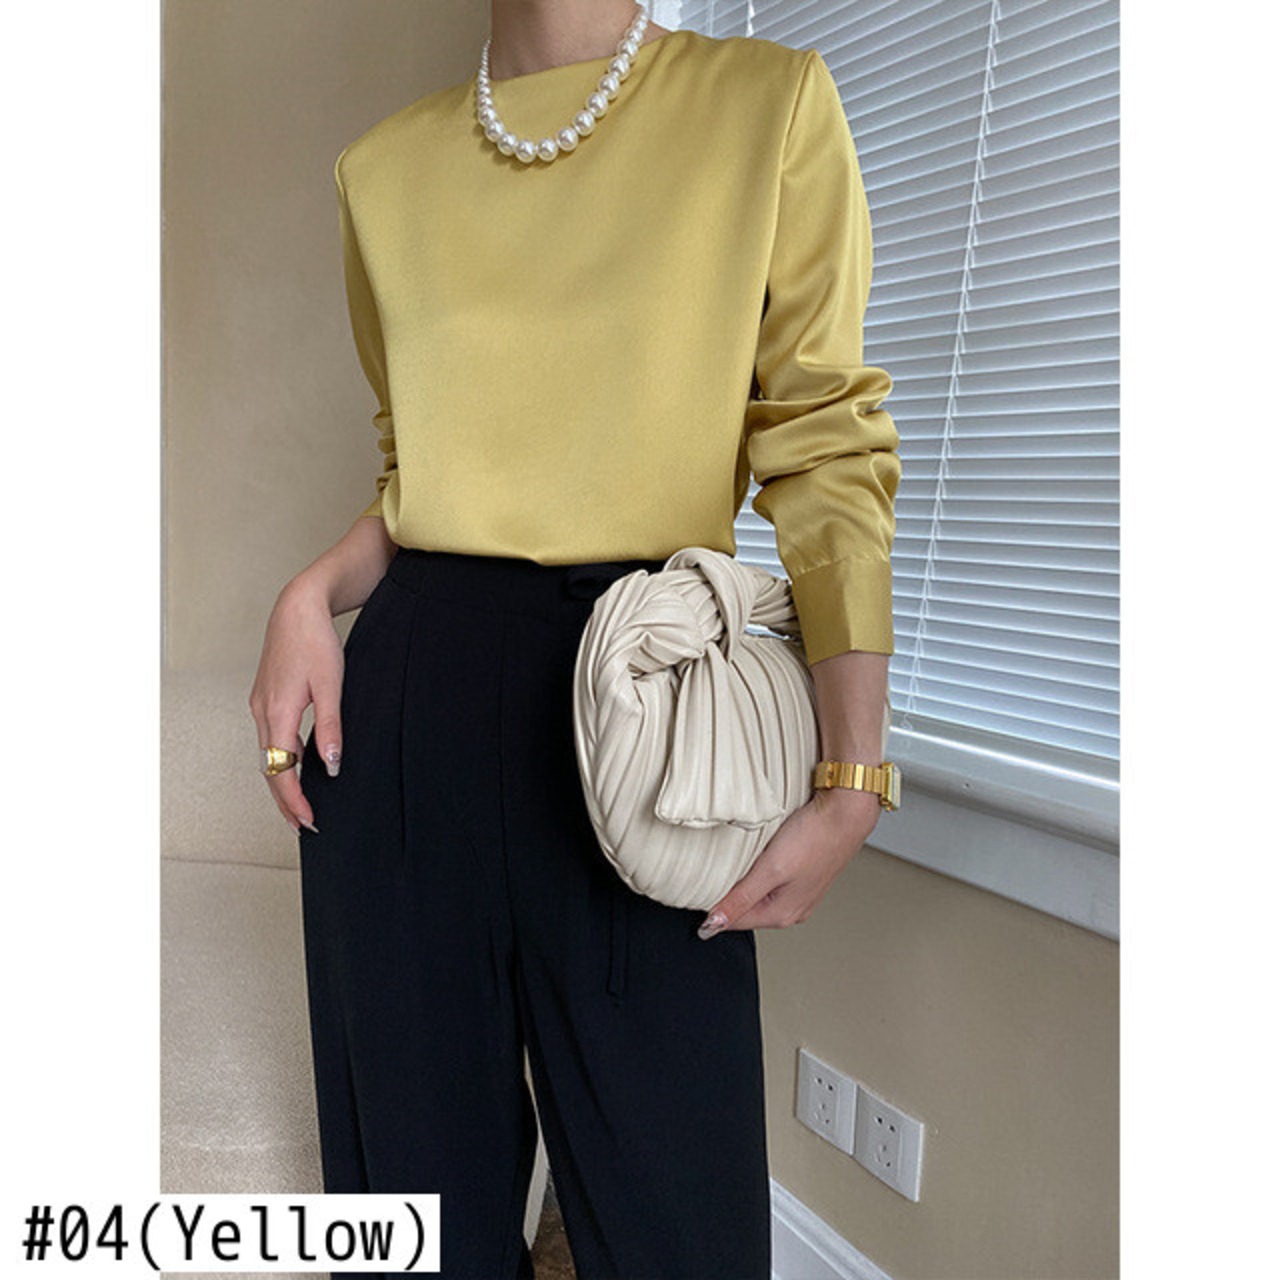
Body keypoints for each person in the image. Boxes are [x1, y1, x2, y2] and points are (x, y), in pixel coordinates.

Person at [248, 1, 900, 1276]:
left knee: (681, 1228)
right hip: (410, 699)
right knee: (407, 1224)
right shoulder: (381, 170)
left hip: (646, 704)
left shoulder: (763, 105)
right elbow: (419, 475)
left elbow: (822, 446)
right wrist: (308, 592)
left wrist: (851, 772)